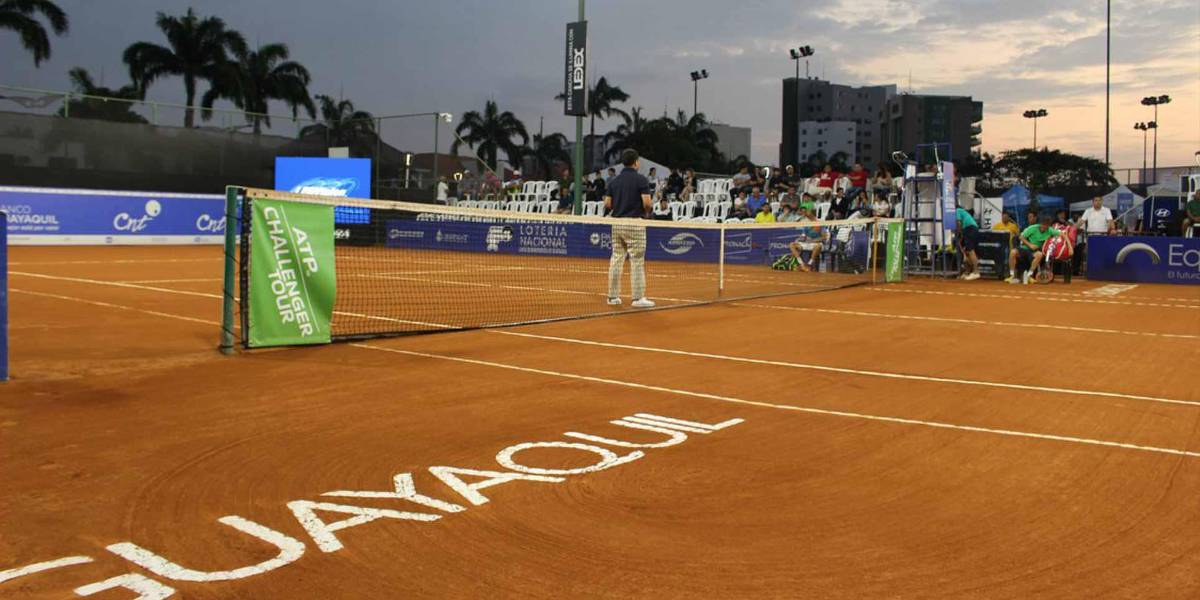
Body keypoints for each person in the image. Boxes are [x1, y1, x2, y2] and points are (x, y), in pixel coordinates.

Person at [604, 149, 655, 308]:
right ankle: (638, 298)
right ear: (636, 162)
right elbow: (647, 203)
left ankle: (612, 297)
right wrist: (647, 213)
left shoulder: (614, 181)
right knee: (637, 260)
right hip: (634, 223)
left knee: (616, 259)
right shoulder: (641, 180)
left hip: (617, 223)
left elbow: (607, 204)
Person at [1007, 214, 1070, 285]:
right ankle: (1011, 275)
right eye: (1043, 224)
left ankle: (1029, 276)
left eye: (1046, 225)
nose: (1044, 227)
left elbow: (1063, 234)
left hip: (1035, 251)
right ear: (1040, 223)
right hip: (1024, 248)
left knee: (1039, 255)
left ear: (1049, 225)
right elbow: (1021, 237)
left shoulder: (1050, 230)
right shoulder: (1032, 228)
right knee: (1013, 252)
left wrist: (1069, 246)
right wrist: (1030, 245)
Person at [956, 205, 981, 281]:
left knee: (970, 250)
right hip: (970, 229)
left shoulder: (957, 210)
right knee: (966, 251)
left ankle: (976, 272)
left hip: (969, 229)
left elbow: (959, 223)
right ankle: (967, 272)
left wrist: (959, 233)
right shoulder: (962, 211)